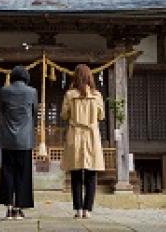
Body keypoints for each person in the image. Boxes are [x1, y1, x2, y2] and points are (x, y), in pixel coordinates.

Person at [61, 64, 105, 219]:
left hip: (75, 134)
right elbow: (101, 116)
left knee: (76, 173)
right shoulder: (97, 95)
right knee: (91, 174)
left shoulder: (69, 95)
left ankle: (78, 209)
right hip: (92, 135)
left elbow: (64, 115)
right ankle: (88, 210)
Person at [0, 65, 37, 220]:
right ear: (26, 77)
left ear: (12, 76)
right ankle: (19, 207)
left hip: (7, 138)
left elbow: (2, 110)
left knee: (7, 173)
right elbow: (34, 112)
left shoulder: (4, 91)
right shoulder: (32, 92)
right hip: (25, 138)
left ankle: (9, 208)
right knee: (23, 174)